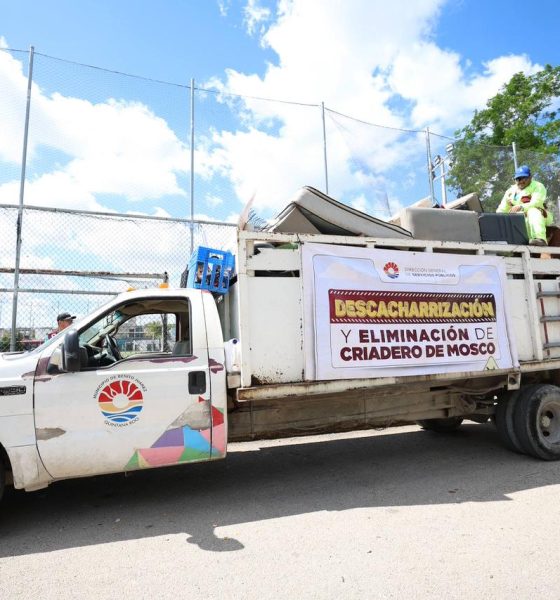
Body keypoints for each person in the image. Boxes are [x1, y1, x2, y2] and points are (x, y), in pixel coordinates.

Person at [496, 165, 552, 246]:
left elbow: (537, 202)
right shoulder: (510, 191)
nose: (521, 181)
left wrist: (521, 207)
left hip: (539, 216)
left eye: (524, 178)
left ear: (530, 177)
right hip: (518, 218)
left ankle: (540, 239)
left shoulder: (538, 186)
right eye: (518, 179)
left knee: (533, 211)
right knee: (505, 218)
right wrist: (497, 219)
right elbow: (502, 209)